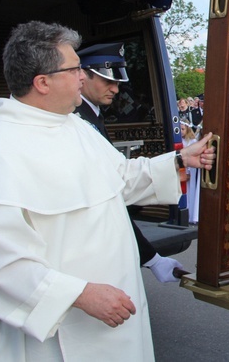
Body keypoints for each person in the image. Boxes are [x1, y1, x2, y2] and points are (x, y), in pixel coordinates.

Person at [0, 21, 215, 361]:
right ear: (42, 82)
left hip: (117, 313)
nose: (83, 77)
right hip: (58, 334)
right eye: (73, 70)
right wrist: (78, 295)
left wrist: (179, 160)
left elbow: (120, 180)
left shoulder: (76, 127)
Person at [74, 42, 185, 283]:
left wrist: (152, 258)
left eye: (117, 82)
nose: (115, 89)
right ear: (82, 76)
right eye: (108, 81)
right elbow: (112, 193)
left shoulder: (91, 114)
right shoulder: (78, 120)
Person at [180, 121, 201, 225]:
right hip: (181, 170)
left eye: (183, 129)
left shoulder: (192, 142)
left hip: (190, 171)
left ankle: (191, 214)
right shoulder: (180, 141)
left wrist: (188, 172)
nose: (180, 131)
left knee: (190, 192)